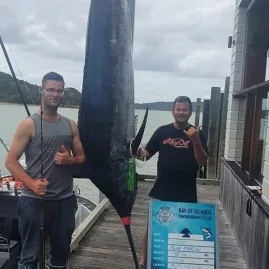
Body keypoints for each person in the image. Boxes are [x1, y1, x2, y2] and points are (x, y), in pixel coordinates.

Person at [5, 72, 86, 269]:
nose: (55, 94)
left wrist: (70, 160)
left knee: (60, 255)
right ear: (42, 90)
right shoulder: (28, 124)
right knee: (30, 257)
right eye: (51, 89)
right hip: (33, 201)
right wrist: (32, 184)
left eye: (59, 90)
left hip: (64, 200)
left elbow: (82, 158)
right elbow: (11, 161)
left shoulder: (70, 125)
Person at [136, 96, 209, 269]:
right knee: (151, 228)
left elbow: (202, 162)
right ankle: (143, 260)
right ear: (173, 111)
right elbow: (146, 154)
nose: (181, 113)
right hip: (162, 190)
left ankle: (181, 262)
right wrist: (134, 149)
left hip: (186, 193)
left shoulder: (197, 134)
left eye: (185, 110)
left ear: (190, 112)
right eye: (178, 109)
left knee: (185, 231)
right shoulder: (162, 131)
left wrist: (196, 140)